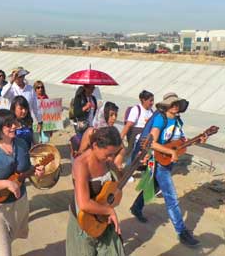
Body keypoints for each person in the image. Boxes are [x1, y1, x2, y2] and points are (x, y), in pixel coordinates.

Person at [129, 93, 208, 247]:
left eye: (177, 104)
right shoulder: (160, 119)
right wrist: (171, 152)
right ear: (166, 105)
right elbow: (151, 143)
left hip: (167, 161)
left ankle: (136, 207)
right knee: (171, 198)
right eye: (172, 104)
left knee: (153, 186)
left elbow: (181, 142)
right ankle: (182, 231)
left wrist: (199, 140)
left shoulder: (178, 121)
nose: (175, 106)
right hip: (158, 161)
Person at [0, 109, 44, 256]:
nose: (14, 127)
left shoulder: (22, 144)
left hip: (18, 205)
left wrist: (36, 171)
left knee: (7, 241)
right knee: (2, 253)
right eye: (8, 125)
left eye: (14, 123)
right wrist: (6, 184)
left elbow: (25, 169)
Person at [66, 126, 125, 256]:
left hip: (103, 219)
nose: (111, 158)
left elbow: (116, 186)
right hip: (83, 222)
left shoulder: (108, 162)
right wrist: (110, 211)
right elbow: (84, 203)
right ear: (95, 145)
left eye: (114, 154)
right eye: (108, 154)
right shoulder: (81, 164)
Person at [1, 67, 43, 134]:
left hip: (27, 119)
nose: (20, 78)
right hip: (14, 120)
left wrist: (40, 121)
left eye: (21, 76)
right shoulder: (10, 88)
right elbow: (3, 94)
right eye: (17, 76)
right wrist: (11, 81)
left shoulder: (30, 89)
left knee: (28, 139)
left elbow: (36, 106)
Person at [120, 90, 154, 161]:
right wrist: (120, 138)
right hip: (136, 140)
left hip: (146, 139)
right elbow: (128, 125)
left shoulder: (151, 112)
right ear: (143, 100)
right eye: (150, 101)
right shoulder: (136, 110)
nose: (152, 103)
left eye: (153, 100)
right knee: (132, 157)